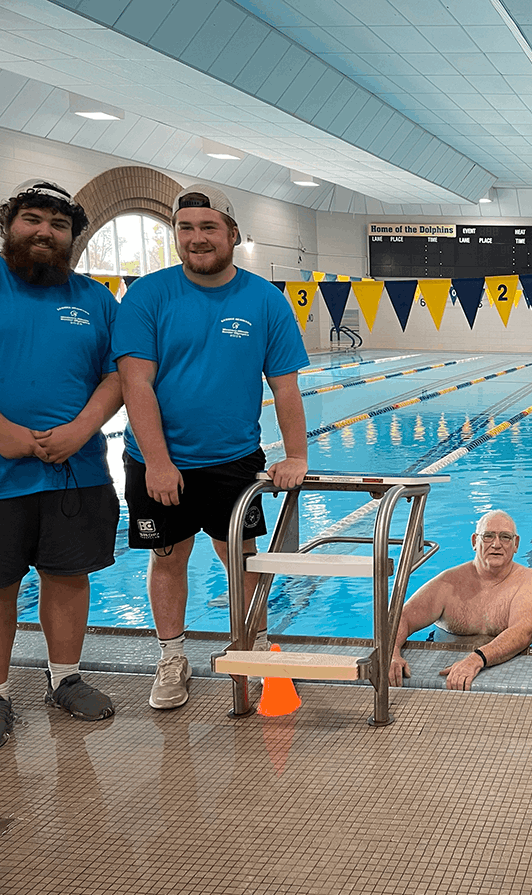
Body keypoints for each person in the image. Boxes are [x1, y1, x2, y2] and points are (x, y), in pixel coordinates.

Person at [114, 184, 309, 711]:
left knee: (242, 560)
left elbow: (285, 386)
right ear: (175, 233)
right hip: (157, 462)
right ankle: (171, 657)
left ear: (232, 234)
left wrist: (297, 456)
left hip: (234, 460)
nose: (196, 238)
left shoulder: (265, 300)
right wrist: (157, 461)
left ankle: (256, 646)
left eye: (208, 228)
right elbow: (136, 384)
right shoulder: (148, 295)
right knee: (168, 556)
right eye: (185, 228)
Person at [0, 179, 123, 744]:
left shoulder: (95, 299)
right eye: (32, 219)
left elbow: (117, 375)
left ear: (74, 236)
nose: (44, 232)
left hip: (77, 468)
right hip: (3, 469)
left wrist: (80, 429)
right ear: (9, 225)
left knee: (67, 575)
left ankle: (65, 678)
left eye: (58, 224)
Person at [389, 511, 532, 691]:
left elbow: (523, 632)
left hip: (505, 669)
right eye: (488, 536)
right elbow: (400, 618)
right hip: (443, 671)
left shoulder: (529, 581)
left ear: (516, 544)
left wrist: (476, 659)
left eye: (505, 537)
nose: (496, 544)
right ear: (474, 541)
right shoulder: (449, 583)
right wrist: (391, 653)